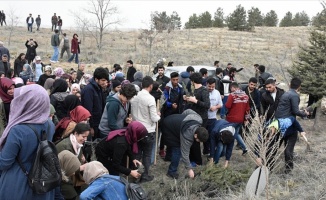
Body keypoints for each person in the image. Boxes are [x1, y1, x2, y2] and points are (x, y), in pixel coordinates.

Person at [0, 84, 56, 199]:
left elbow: (4, 163)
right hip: (42, 182)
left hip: (18, 184)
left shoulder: (18, 130)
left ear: (26, 103)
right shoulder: (49, 124)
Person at [274, 77, 309, 174]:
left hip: (278, 125)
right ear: (299, 87)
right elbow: (295, 111)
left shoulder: (285, 94)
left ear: (290, 84)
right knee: (288, 150)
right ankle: (288, 171)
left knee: (274, 148)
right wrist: (304, 113)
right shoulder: (294, 95)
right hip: (288, 126)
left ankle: (268, 166)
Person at [162, 109, 208, 179]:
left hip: (173, 119)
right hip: (168, 126)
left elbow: (188, 111)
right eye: (199, 140)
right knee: (177, 150)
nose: (199, 142)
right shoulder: (187, 136)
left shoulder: (199, 119)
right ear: (195, 135)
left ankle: (168, 157)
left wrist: (182, 119)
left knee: (172, 143)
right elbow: (185, 154)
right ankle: (171, 171)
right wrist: (189, 169)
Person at [130, 76, 161, 182]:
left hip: (136, 129)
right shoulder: (150, 98)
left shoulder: (134, 97)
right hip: (148, 130)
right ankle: (145, 175)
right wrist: (158, 115)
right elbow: (154, 117)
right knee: (147, 154)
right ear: (151, 86)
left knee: (137, 153)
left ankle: (136, 174)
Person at [185, 72, 210, 164]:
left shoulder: (204, 90)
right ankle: (192, 159)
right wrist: (188, 99)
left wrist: (195, 101)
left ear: (193, 81)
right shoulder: (194, 90)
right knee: (192, 139)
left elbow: (207, 105)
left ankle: (198, 161)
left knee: (197, 139)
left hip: (202, 118)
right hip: (193, 117)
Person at [81, 67, 108, 139]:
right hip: (93, 124)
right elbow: (88, 110)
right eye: (103, 80)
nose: (105, 83)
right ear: (96, 79)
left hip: (99, 123)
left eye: (106, 80)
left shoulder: (98, 88)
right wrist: (91, 127)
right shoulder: (89, 90)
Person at [225, 82, 250, 155]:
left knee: (230, 133)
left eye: (231, 88)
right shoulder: (246, 96)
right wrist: (246, 119)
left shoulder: (232, 95)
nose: (230, 90)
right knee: (236, 133)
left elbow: (227, 106)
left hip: (231, 118)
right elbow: (247, 109)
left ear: (233, 87)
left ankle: (227, 149)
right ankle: (244, 148)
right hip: (240, 119)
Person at [206, 77, 223, 154]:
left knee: (211, 135)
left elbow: (221, 104)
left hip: (212, 117)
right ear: (206, 84)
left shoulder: (217, 92)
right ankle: (205, 149)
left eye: (213, 87)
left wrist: (215, 107)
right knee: (204, 135)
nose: (211, 88)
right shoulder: (203, 91)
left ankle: (210, 150)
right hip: (204, 117)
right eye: (209, 86)